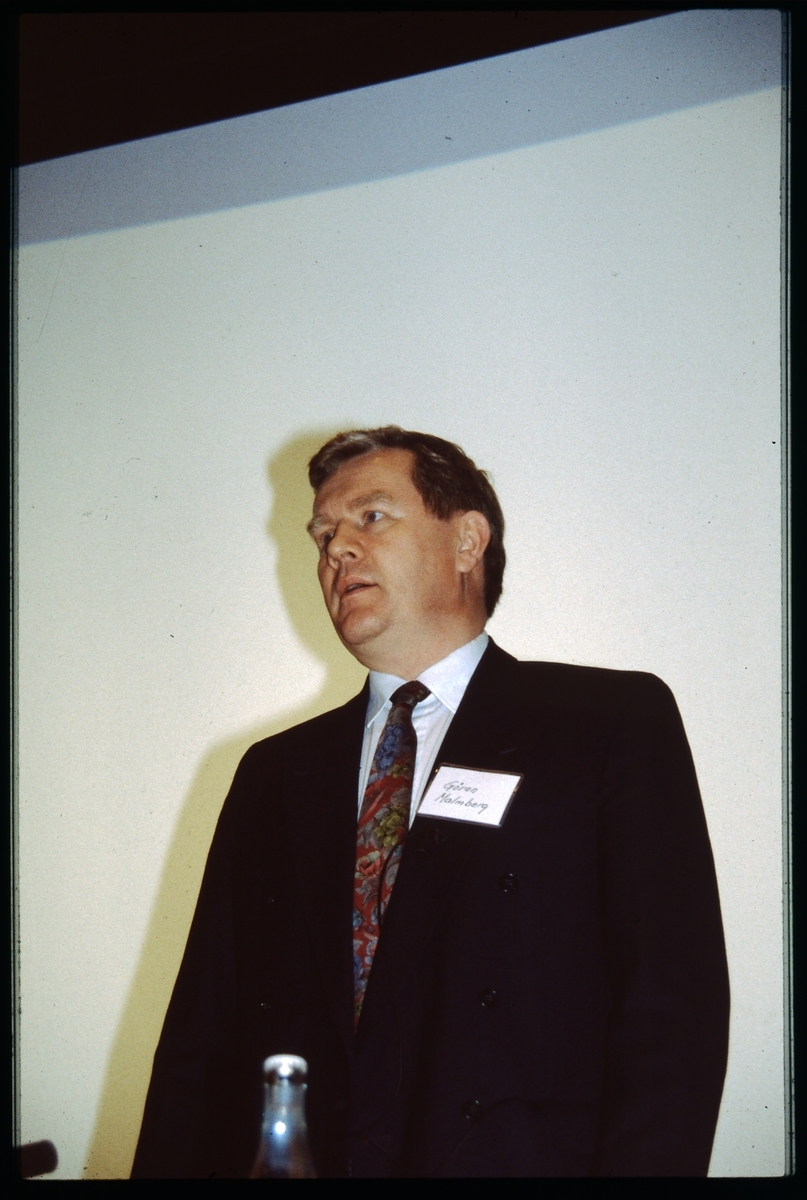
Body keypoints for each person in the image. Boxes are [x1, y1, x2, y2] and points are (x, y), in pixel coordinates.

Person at [131, 426, 729, 1178]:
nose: (337, 550)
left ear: (467, 541)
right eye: (323, 535)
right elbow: (200, 1041)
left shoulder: (604, 725)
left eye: (371, 517)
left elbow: (672, 1013)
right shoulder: (274, 773)